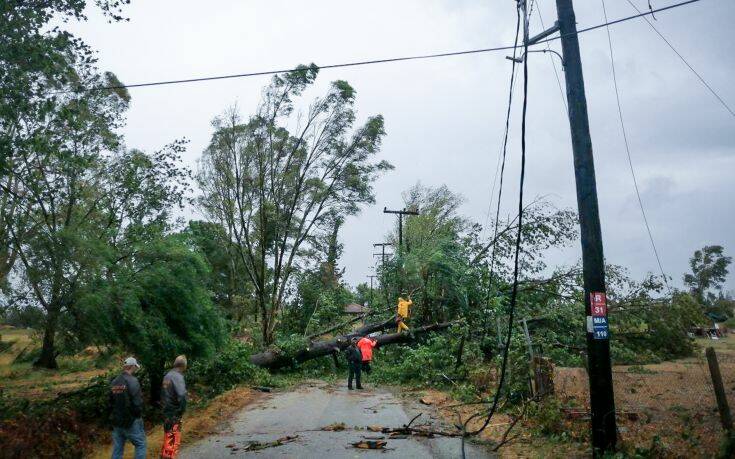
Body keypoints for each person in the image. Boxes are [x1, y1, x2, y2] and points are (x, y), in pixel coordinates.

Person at [109, 357, 146, 459]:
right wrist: (137, 417)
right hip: (131, 421)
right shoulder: (133, 381)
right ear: (132, 366)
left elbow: (110, 402)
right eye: (135, 367)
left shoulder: (114, 381)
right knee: (140, 444)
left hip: (117, 421)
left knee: (118, 448)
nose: (136, 369)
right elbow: (137, 403)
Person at [160, 355, 188, 459]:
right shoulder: (177, 376)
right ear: (184, 366)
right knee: (172, 443)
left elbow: (163, 395)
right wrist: (181, 410)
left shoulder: (167, 376)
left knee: (167, 442)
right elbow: (181, 395)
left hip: (166, 413)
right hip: (174, 414)